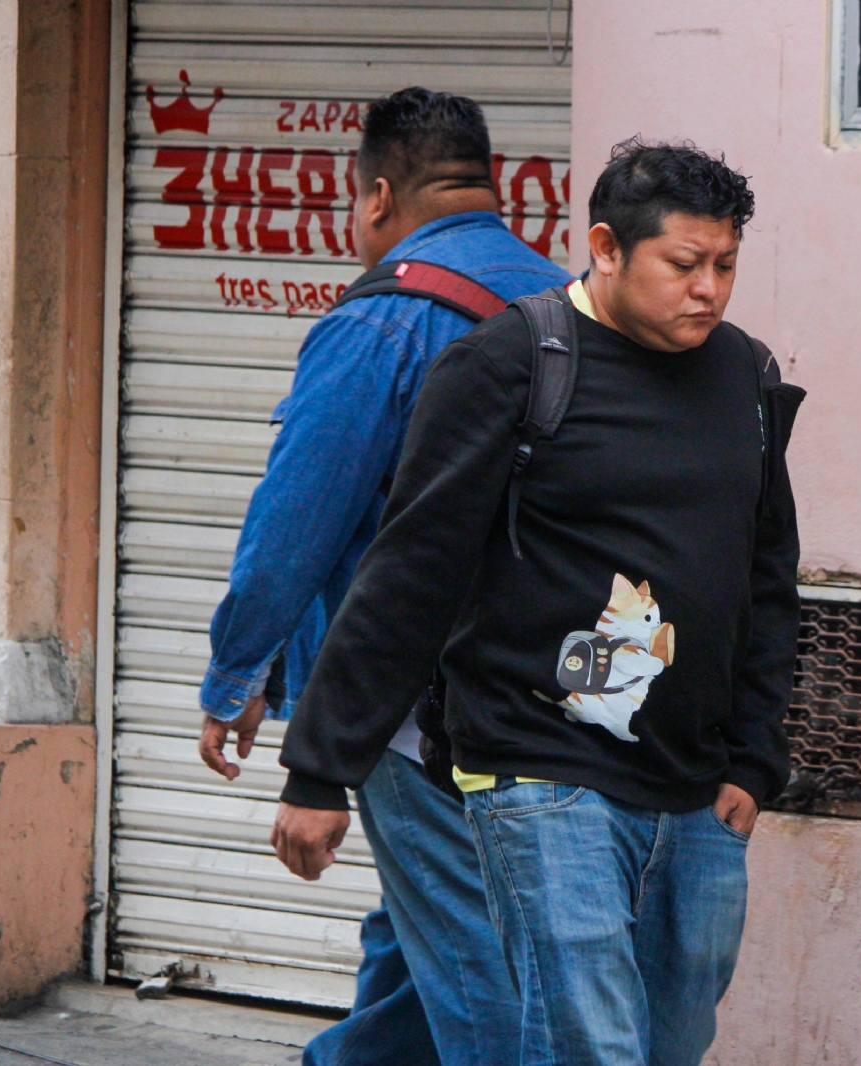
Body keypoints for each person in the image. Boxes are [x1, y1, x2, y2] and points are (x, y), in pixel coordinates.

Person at [271, 138, 803, 1066]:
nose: (709, 289)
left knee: (671, 1044)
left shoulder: (743, 378)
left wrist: (754, 763)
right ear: (605, 247)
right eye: (684, 265)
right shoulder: (511, 363)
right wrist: (320, 770)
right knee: (589, 1046)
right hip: (540, 767)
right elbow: (409, 572)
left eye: (725, 266)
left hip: (699, 787)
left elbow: (765, 576)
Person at [194, 88, 571, 1066]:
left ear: (373, 197)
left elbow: (298, 513)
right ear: (491, 190)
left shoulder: (384, 322)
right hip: (546, 700)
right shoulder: (571, 308)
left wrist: (238, 673)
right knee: (424, 938)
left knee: (476, 974)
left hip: (408, 706)